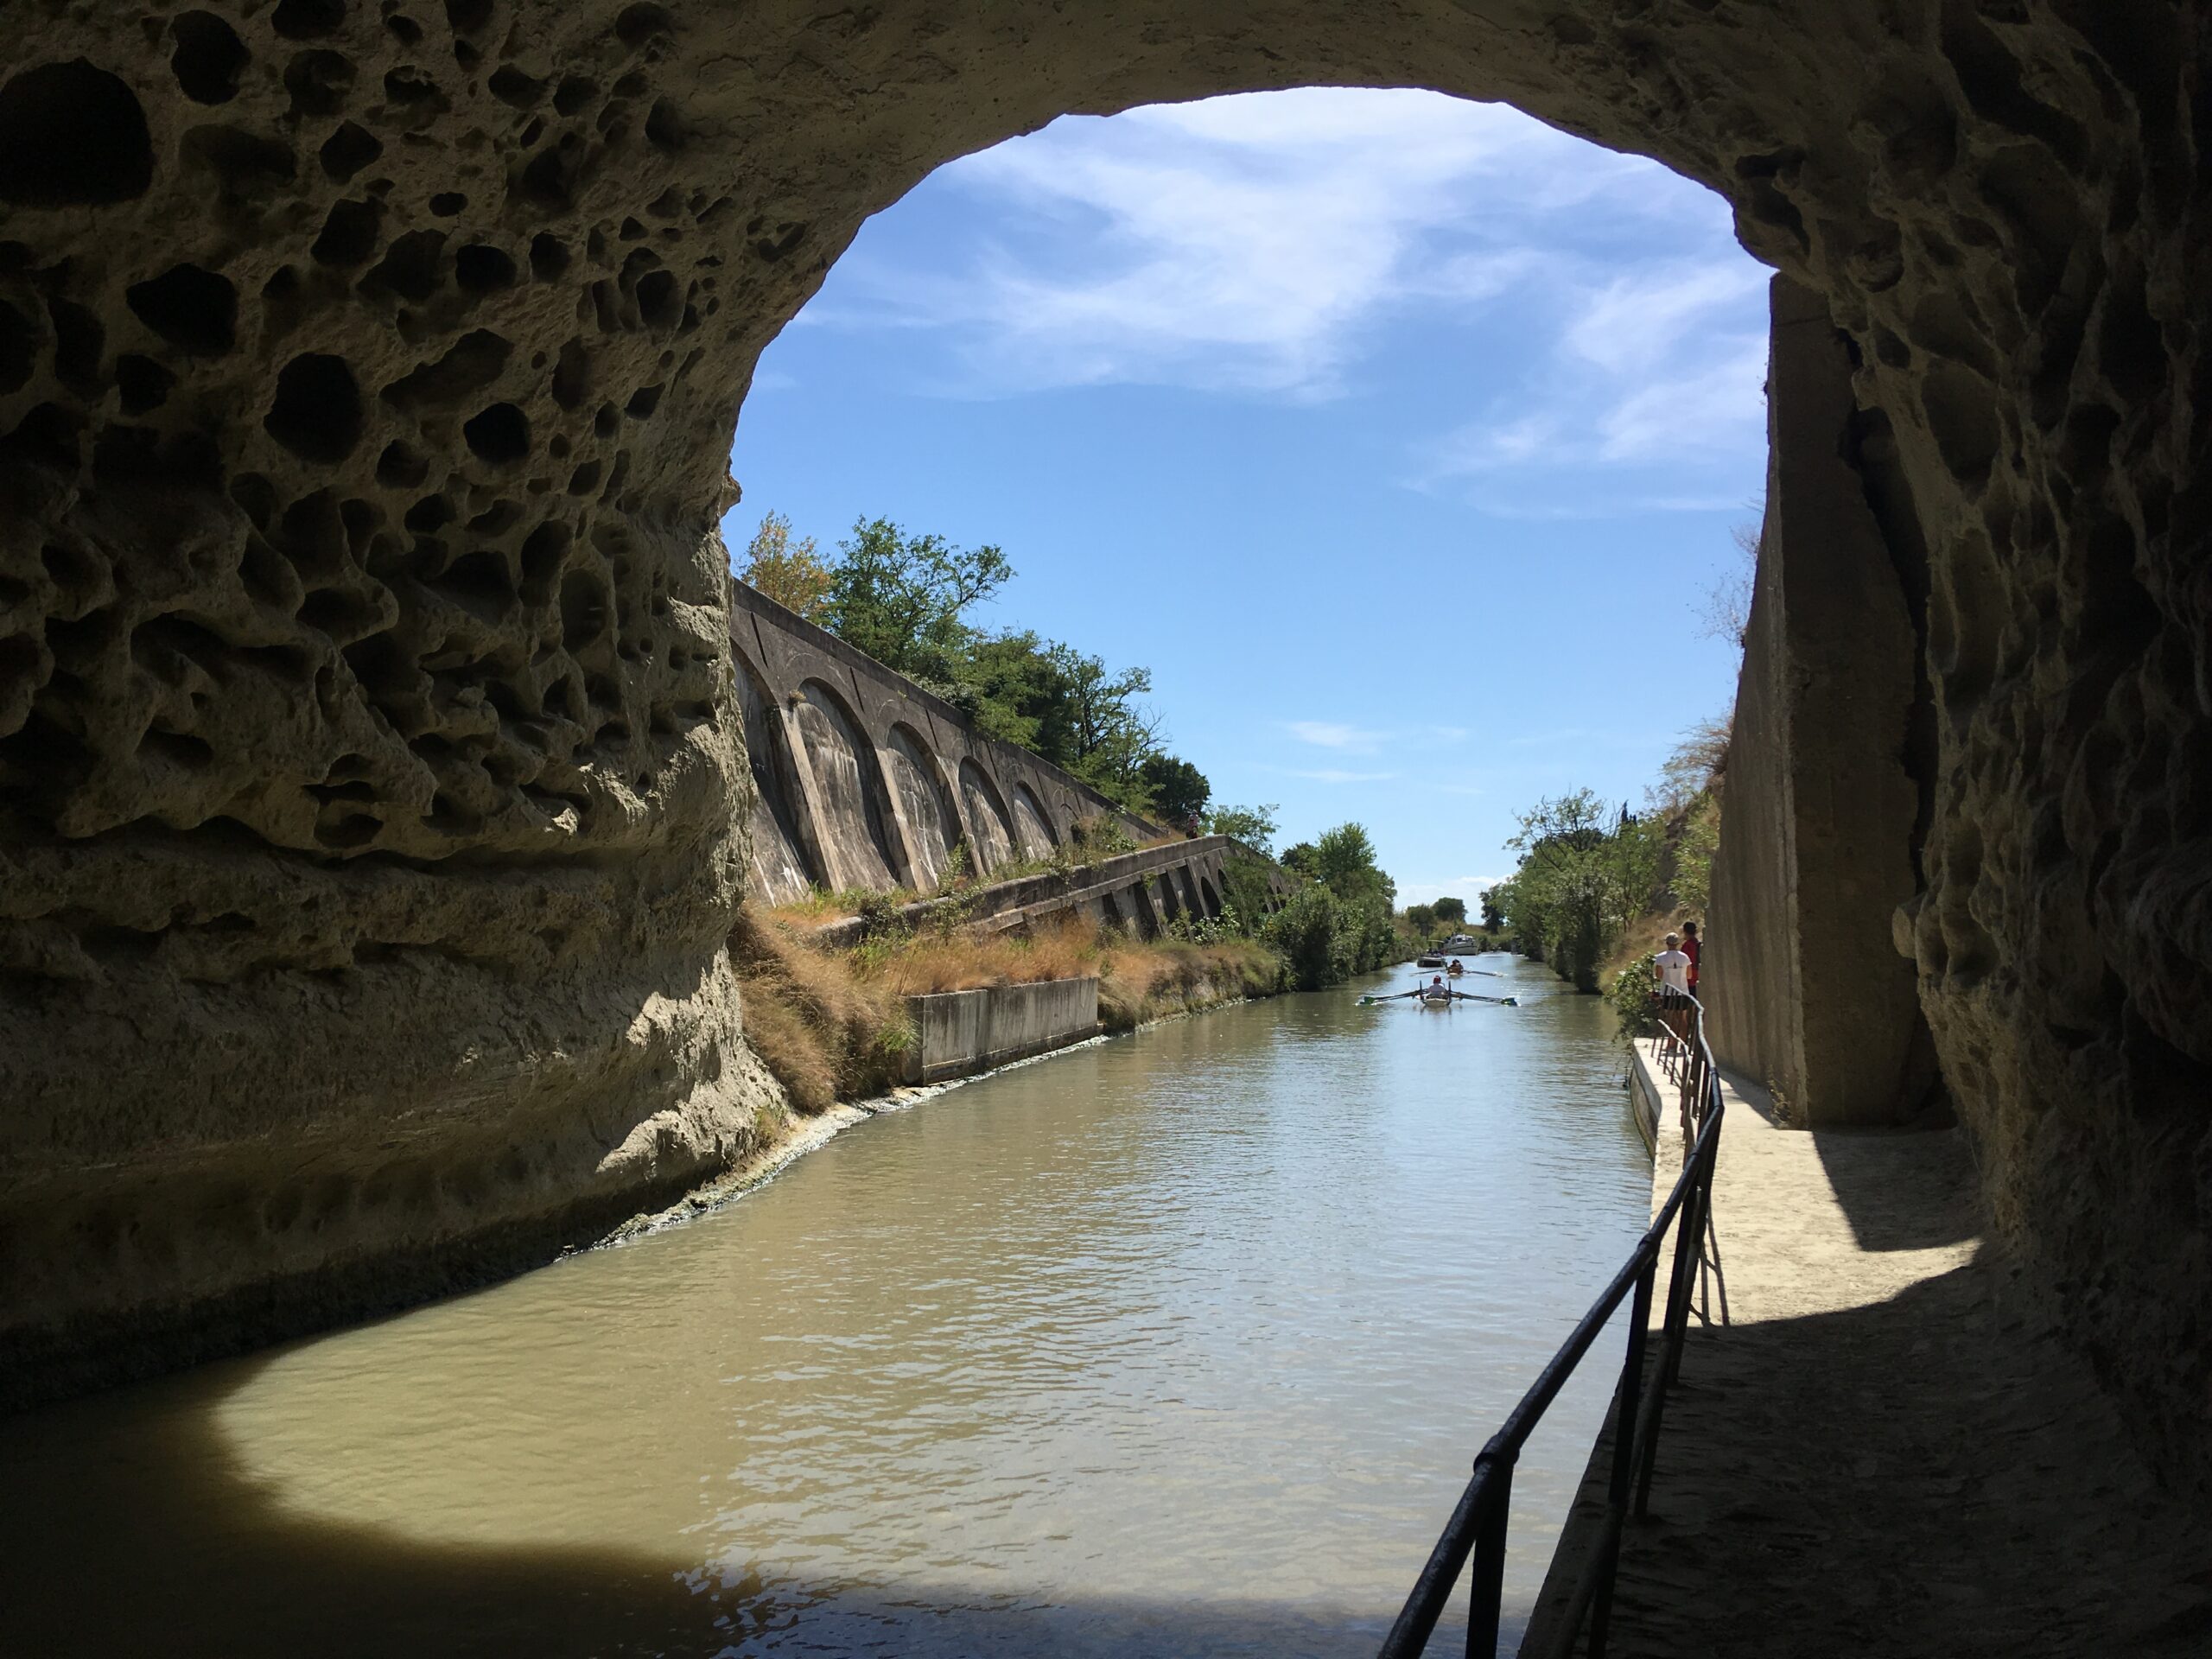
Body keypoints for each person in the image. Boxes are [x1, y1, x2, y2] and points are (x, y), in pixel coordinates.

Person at [1654, 932, 1692, 1041]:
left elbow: (1659, 975)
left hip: (1667, 991)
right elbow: (1689, 975)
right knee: (1683, 1018)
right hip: (1683, 991)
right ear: (1677, 943)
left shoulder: (1661, 958)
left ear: (1667, 943)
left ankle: (1672, 1042)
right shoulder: (1685, 957)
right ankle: (1683, 1043)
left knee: (1670, 1018)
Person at [1680, 920, 1701, 995]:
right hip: (1699, 976)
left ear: (1685, 931)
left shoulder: (1686, 946)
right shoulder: (1699, 944)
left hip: (1689, 979)